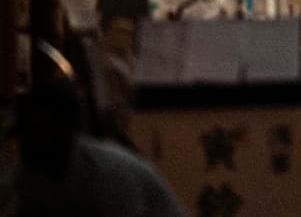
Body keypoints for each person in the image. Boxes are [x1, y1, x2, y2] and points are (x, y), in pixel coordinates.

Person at [0, 76, 189, 217]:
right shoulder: (34, 175)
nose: (27, 141)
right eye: (23, 132)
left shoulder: (109, 171)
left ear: (64, 131)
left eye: (35, 131)